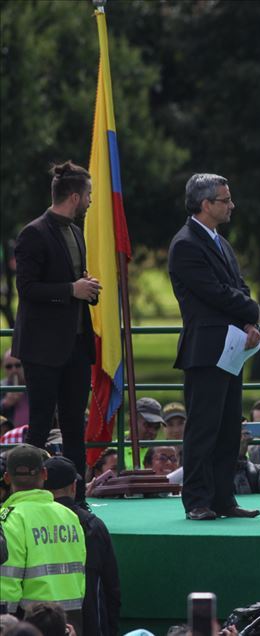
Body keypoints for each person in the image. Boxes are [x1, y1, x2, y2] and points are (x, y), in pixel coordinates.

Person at [168, 173, 260, 521]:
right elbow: (213, 293)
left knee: (227, 427)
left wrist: (249, 322)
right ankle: (197, 500)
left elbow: (238, 286)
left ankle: (224, 498)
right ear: (205, 205)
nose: (231, 205)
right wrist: (250, 312)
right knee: (203, 427)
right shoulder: (186, 244)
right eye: (225, 200)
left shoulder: (220, 241)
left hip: (232, 347)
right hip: (206, 348)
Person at [12, 161, 101, 503]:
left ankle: (74, 497)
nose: (91, 200)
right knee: (38, 426)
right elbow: (28, 288)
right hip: (43, 348)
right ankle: (29, 498)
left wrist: (86, 287)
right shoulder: (33, 233)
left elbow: (71, 282)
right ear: (75, 196)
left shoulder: (76, 232)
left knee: (76, 426)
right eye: (89, 194)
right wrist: (70, 289)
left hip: (76, 345)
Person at [0, 445, 86, 625]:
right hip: (72, 617)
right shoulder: (69, 515)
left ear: (7, 478)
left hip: (32, 620)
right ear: (45, 474)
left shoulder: (9, 518)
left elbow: (7, 580)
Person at [43, 456, 121, 636]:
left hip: (44, 623)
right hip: (91, 624)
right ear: (74, 486)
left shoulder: (27, 522)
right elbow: (112, 587)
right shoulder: (92, 525)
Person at [1, 349, 29, 427]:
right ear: (4, 368)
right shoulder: (1, 387)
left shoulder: (35, 386)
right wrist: (5, 404)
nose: (14, 370)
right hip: (9, 436)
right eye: (9, 367)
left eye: (18, 365)